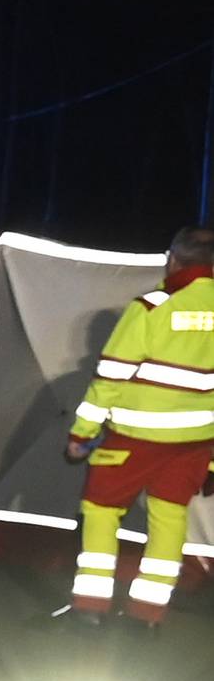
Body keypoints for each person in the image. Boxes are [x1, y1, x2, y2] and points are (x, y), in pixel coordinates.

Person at [63, 225, 214, 627]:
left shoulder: (152, 307)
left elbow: (110, 379)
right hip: (194, 444)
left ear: (173, 260)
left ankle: (89, 612)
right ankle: (146, 617)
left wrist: (81, 435)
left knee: (100, 513)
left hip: (134, 439)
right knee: (169, 520)